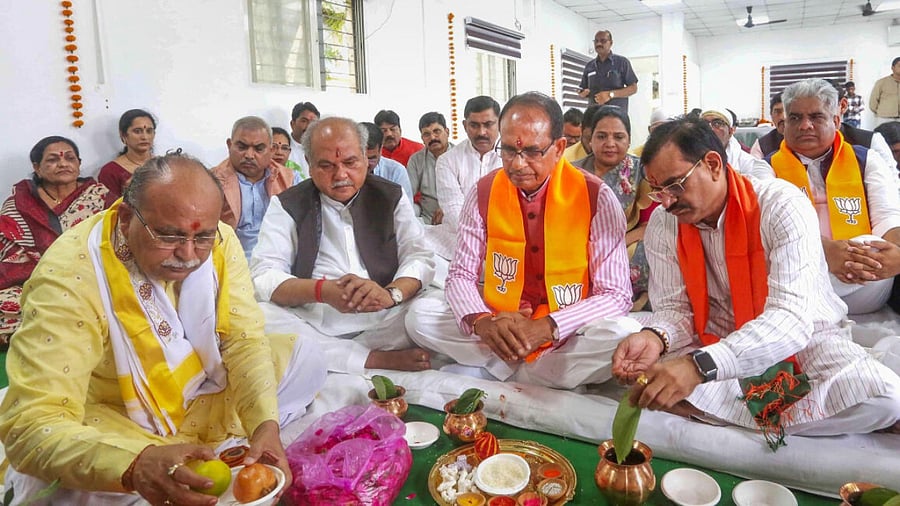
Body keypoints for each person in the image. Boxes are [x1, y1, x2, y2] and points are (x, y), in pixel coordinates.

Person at [0, 152, 326, 504]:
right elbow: (32, 425)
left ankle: (220, 443)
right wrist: (135, 466)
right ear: (126, 220)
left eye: (202, 236)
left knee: (307, 355)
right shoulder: (69, 277)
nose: (187, 254)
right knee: (59, 486)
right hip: (117, 412)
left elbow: (242, 338)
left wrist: (265, 426)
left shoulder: (220, 241)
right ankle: (170, 457)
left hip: (202, 388)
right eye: (168, 235)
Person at [611, 116, 900, 452]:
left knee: (884, 398)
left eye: (675, 185)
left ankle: (706, 408)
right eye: (658, 190)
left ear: (713, 164)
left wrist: (698, 368)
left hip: (803, 343)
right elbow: (675, 309)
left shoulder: (781, 205)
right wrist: (656, 337)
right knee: (631, 356)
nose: (667, 202)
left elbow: (790, 320)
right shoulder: (665, 223)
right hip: (711, 336)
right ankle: (730, 408)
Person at [407, 92, 633, 389]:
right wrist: (483, 323)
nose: (517, 164)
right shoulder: (484, 191)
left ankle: (498, 368)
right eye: (509, 151)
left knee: (622, 335)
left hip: (565, 326)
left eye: (532, 151)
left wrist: (547, 327)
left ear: (560, 147)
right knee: (419, 316)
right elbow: (461, 274)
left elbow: (617, 294)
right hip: (501, 318)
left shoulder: (596, 197)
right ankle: (538, 373)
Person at [250, 117, 435, 375]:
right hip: (316, 319)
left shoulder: (390, 196)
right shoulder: (288, 204)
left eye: (350, 162)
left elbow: (419, 257)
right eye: (326, 165)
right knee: (259, 317)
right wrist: (322, 291)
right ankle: (372, 359)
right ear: (310, 165)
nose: (340, 175)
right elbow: (264, 274)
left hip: (387, 317)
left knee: (429, 311)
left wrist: (390, 294)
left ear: (365, 157)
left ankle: (339, 357)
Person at [766, 79, 900, 314]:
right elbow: (765, 230)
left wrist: (896, 251)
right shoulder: (766, 167)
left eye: (816, 117)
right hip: (797, 277)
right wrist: (823, 251)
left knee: (869, 245)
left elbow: (888, 217)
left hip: (863, 281)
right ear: (783, 124)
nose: (805, 126)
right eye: (795, 118)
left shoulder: (866, 160)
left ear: (836, 121)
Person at [0, 135, 114, 349]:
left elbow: (116, 242)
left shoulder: (101, 198)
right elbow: (9, 255)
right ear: (37, 167)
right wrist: (47, 275)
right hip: (34, 283)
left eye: (70, 158)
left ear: (79, 165)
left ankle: (39, 331)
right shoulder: (18, 203)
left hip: (90, 280)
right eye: (52, 160)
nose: (63, 163)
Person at [572, 106, 654, 311]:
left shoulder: (642, 171)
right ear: (590, 139)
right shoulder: (571, 173)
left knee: (644, 248)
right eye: (601, 136)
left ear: (628, 140)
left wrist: (616, 245)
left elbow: (649, 225)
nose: (610, 144)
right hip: (577, 243)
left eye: (618, 137)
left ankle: (632, 302)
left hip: (625, 242)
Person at [211, 116, 300, 260]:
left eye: (259, 149)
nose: (249, 155)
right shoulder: (212, 181)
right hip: (229, 261)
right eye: (242, 147)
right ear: (229, 145)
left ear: (271, 150)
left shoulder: (290, 179)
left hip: (280, 260)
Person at [432, 96, 503, 260]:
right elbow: (452, 208)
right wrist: (479, 240)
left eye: (488, 124)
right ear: (465, 125)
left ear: (500, 123)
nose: (481, 132)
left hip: (504, 236)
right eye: (474, 125)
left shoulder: (514, 157)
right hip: (460, 235)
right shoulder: (447, 160)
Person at [98, 109, 156, 200]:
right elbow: (111, 210)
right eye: (137, 131)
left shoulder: (164, 165)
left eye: (149, 131)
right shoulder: (110, 171)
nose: (145, 137)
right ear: (123, 135)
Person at [700, 107, 773, 179]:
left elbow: (768, 184)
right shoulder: (691, 158)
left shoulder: (747, 163)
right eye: (704, 124)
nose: (710, 129)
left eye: (717, 123)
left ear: (731, 131)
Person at [407, 111, 453, 225]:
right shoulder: (416, 160)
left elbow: (468, 193)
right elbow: (408, 193)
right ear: (422, 138)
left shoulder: (460, 156)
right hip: (428, 218)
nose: (432, 137)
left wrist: (449, 209)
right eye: (427, 134)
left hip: (456, 214)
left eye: (437, 131)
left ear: (447, 132)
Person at [578, 30, 638, 113]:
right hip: (594, 117)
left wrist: (610, 95)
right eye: (596, 41)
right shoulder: (589, 66)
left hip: (616, 117)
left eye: (603, 41)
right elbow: (583, 90)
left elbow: (633, 88)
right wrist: (582, 93)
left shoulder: (622, 62)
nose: (599, 44)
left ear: (611, 43)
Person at [361, 122, 414, 201]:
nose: (366, 164)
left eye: (372, 158)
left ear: (381, 150)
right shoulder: (341, 172)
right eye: (361, 159)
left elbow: (406, 209)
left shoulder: (396, 171)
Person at [288, 101, 320, 174]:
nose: (309, 126)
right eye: (304, 121)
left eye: (313, 122)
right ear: (292, 124)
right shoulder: (283, 147)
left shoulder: (321, 149)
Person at [750, 93, 784, 159]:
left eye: (787, 111)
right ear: (771, 116)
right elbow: (755, 168)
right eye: (777, 112)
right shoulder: (761, 145)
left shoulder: (806, 139)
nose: (783, 117)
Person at [869, 57, 900, 127]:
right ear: (892, 68)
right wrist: (881, 112)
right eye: (899, 65)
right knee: (883, 137)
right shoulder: (881, 82)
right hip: (884, 119)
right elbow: (873, 102)